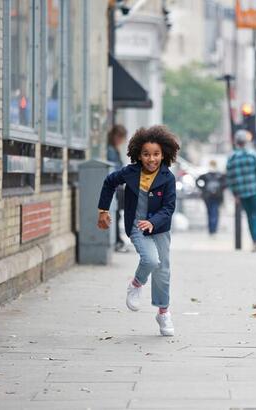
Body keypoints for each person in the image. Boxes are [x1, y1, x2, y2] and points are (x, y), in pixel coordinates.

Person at [97, 126, 180, 337]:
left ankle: (163, 312)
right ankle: (136, 284)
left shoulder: (168, 178)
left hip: (159, 229)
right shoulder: (131, 172)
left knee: (163, 271)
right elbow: (109, 182)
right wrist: (103, 210)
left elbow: (168, 208)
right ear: (139, 155)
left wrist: (153, 222)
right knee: (151, 260)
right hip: (136, 227)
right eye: (146, 154)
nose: (151, 159)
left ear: (164, 155)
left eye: (156, 154)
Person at [226, 130, 256, 252]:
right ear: (246, 141)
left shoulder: (232, 158)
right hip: (255, 191)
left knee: (249, 216)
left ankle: (255, 240)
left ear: (236, 142)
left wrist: (235, 194)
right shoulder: (252, 155)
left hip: (241, 193)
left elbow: (230, 177)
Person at [107, 124, 129, 252]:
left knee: (117, 213)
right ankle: (116, 240)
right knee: (115, 213)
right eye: (120, 137)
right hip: (115, 186)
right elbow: (114, 168)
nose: (121, 141)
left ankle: (117, 239)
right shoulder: (110, 150)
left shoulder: (114, 149)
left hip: (117, 185)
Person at [196, 160, 226, 235]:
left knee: (211, 212)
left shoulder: (207, 175)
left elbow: (197, 181)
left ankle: (212, 229)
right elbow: (226, 184)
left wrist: (202, 188)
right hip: (213, 196)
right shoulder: (219, 175)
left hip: (210, 196)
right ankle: (213, 229)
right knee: (214, 212)